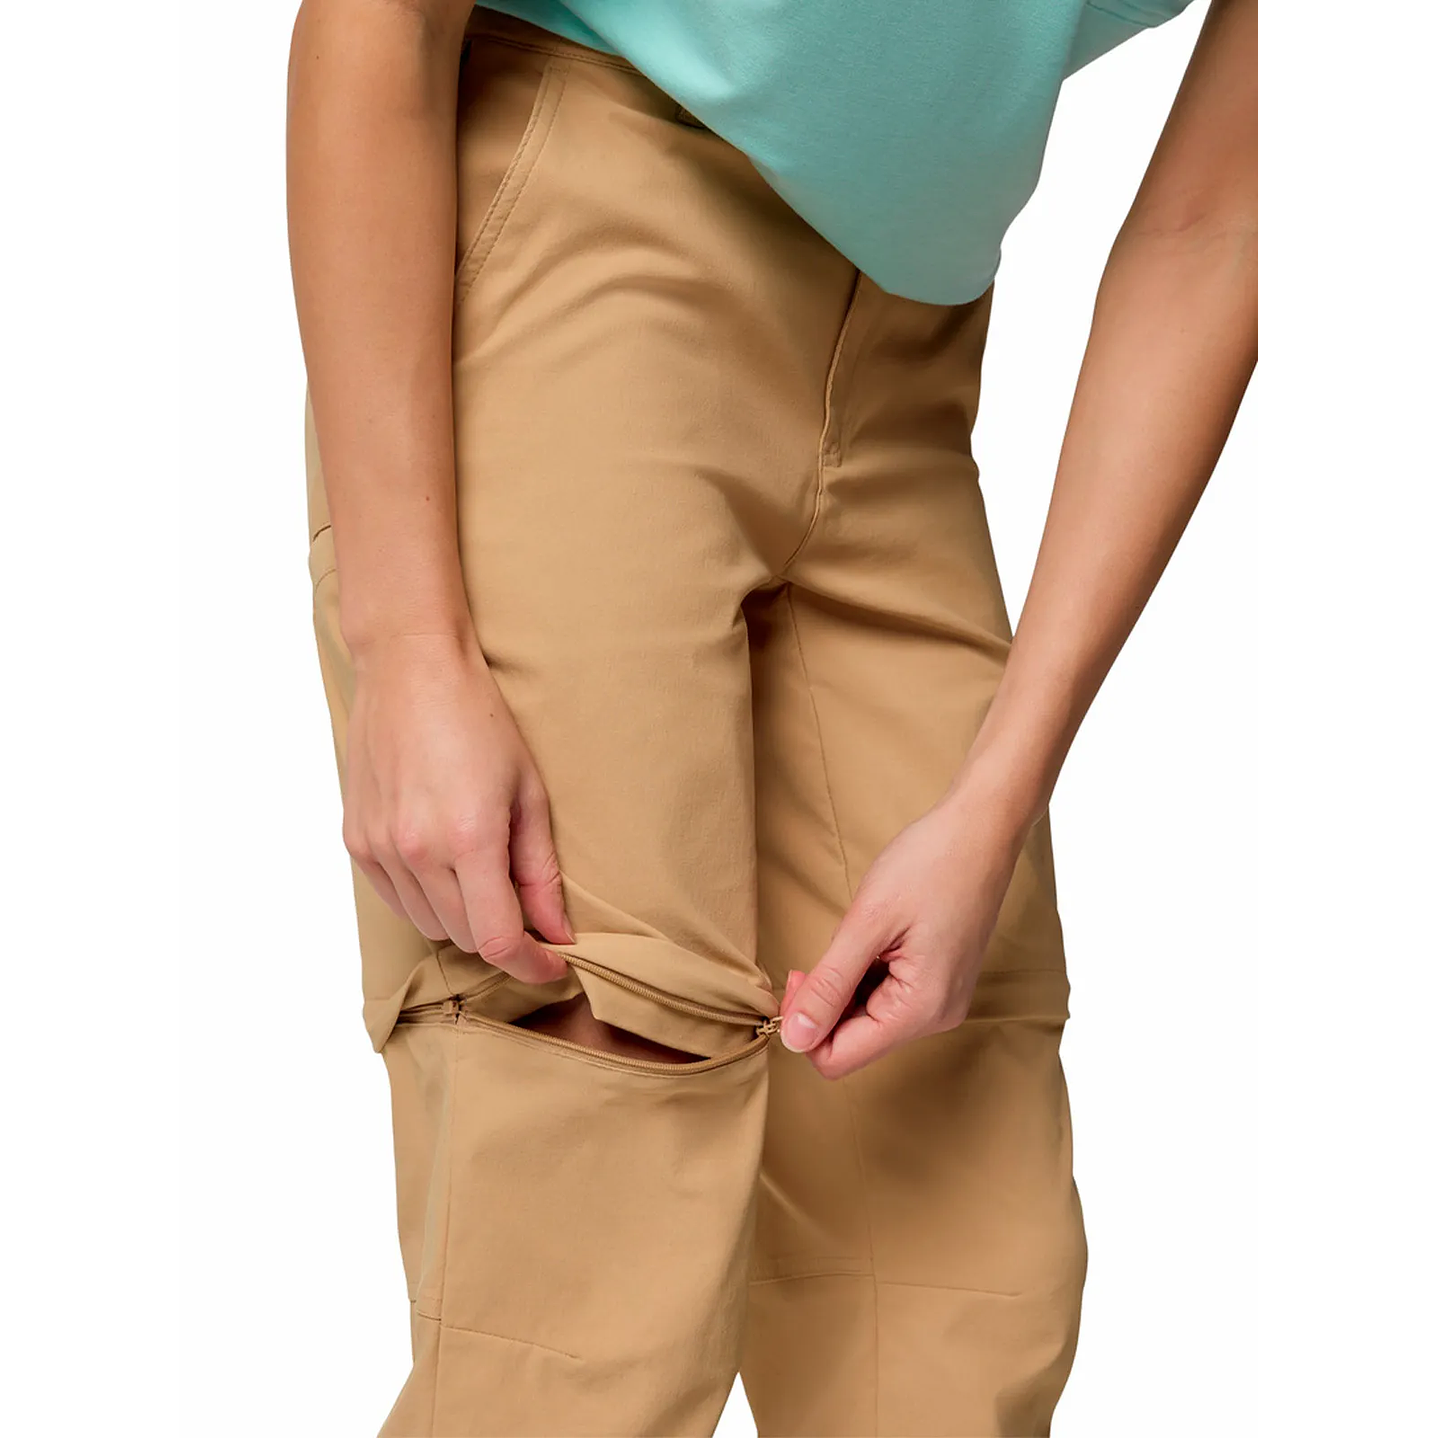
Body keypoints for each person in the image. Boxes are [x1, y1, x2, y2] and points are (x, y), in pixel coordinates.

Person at [286, 0, 1256, 1432]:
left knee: (953, 1255)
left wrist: (996, 796)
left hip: (909, 365)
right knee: (594, 1214)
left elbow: (1216, 226)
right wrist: (406, 643)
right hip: (584, 239)